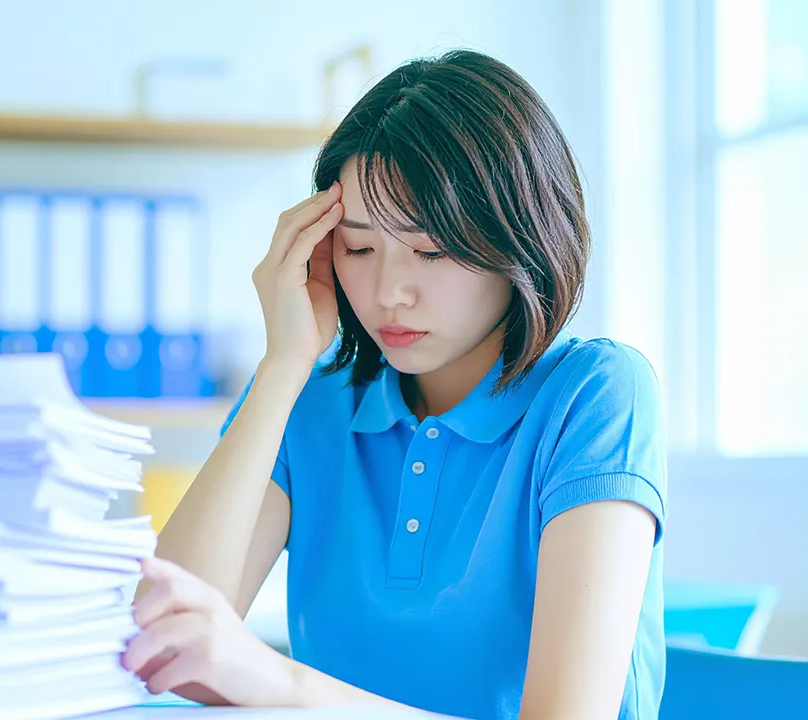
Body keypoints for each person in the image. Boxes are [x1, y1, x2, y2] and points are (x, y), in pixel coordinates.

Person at [123, 49, 667, 720]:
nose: (388, 292)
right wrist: (284, 363)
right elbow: (160, 640)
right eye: (358, 248)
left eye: (431, 250)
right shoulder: (309, 400)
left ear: (522, 238)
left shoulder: (595, 394)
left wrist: (282, 684)